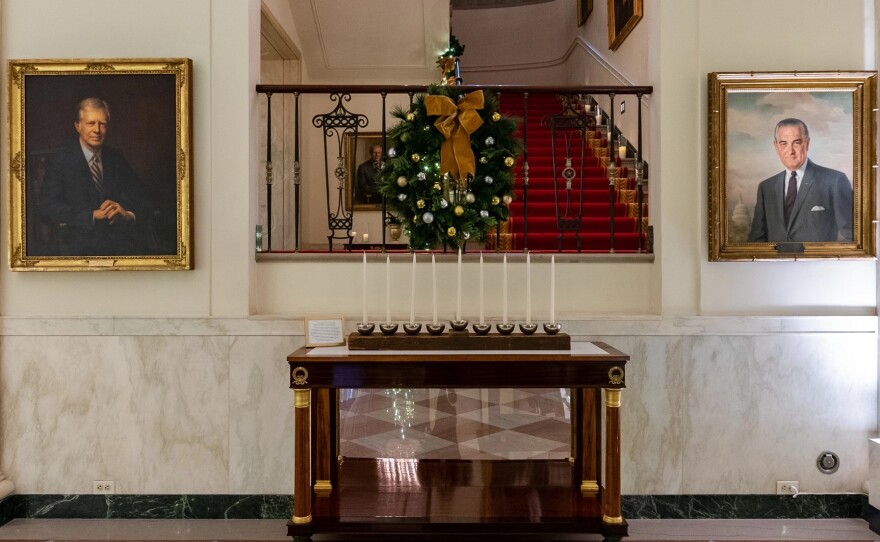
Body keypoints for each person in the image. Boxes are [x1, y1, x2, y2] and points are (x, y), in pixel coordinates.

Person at [39, 97, 154, 256]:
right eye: (91, 123)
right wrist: (91, 215)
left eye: (102, 124)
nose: (97, 130)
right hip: (77, 244)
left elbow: (143, 196)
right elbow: (47, 206)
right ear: (78, 126)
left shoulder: (116, 157)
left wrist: (127, 214)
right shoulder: (60, 161)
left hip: (120, 242)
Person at [747, 118, 853, 243]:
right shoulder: (766, 187)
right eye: (784, 143)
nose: (790, 151)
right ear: (776, 147)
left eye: (796, 142)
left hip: (817, 262)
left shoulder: (835, 181)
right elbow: (756, 241)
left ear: (807, 144)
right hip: (775, 263)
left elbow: (852, 237)